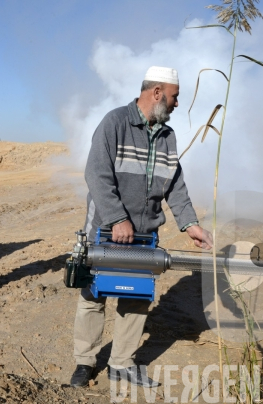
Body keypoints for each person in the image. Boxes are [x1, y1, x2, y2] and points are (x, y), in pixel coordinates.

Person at [70, 66, 213, 388]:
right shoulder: (115, 122)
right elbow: (96, 174)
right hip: (106, 230)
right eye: (175, 97)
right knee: (93, 296)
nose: (177, 104)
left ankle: (122, 363)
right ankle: (85, 362)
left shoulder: (168, 136)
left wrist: (190, 224)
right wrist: (116, 219)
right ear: (158, 92)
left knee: (135, 298)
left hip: (145, 233)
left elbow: (175, 184)